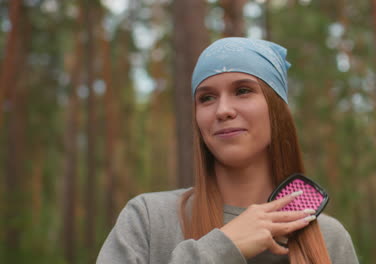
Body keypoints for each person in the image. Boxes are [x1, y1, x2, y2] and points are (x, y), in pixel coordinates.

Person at [97, 37, 359, 264]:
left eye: (243, 91)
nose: (222, 110)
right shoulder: (149, 220)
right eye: (207, 98)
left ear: (277, 110)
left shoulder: (329, 238)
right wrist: (222, 248)